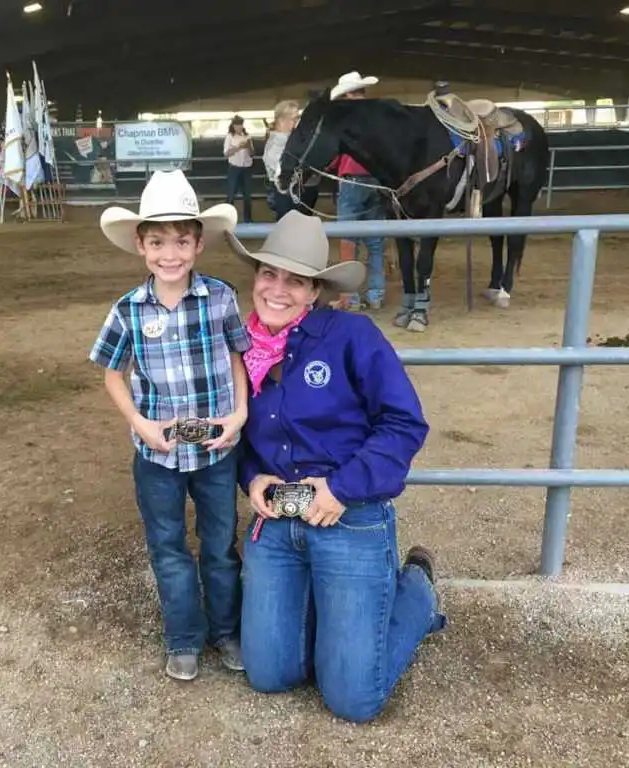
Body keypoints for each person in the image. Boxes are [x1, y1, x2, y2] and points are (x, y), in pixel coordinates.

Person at [224, 209, 445, 722]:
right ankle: (335, 623)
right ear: (255, 278)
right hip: (277, 519)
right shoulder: (239, 346)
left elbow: (404, 423)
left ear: (315, 291)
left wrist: (341, 488)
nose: (278, 290)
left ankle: (417, 588)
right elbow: (234, 431)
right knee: (269, 674)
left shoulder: (352, 336)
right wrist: (252, 476)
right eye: (268, 274)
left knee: (353, 699)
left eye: (295, 280)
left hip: (348, 514)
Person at [89, 169, 251, 682]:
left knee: (220, 544)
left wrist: (240, 413)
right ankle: (183, 637)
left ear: (198, 244)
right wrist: (139, 423)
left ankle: (226, 631)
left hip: (216, 451)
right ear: (141, 246)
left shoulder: (221, 298)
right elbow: (111, 372)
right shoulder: (128, 311)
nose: (170, 254)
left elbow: (238, 357)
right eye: (157, 242)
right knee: (168, 546)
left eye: (182, 241)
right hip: (157, 454)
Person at [327, 71, 387, 312]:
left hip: (351, 180)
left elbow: (334, 154)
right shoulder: (379, 117)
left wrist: (330, 166)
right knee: (375, 241)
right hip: (377, 181)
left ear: (349, 94)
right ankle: (376, 294)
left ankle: (349, 297)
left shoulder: (344, 120)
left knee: (348, 239)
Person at [263, 99, 320, 220]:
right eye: (294, 119)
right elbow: (282, 172)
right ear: (281, 120)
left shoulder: (295, 137)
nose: (296, 122)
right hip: (286, 192)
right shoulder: (275, 144)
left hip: (303, 189)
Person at [222, 114, 254, 223]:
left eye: (240, 125)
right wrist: (238, 148)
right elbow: (226, 153)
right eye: (237, 125)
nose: (239, 127)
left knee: (247, 195)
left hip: (247, 168)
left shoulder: (248, 136)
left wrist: (248, 146)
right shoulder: (229, 137)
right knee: (231, 194)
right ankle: (228, 219)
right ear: (233, 126)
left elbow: (252, 153)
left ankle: (248, 219)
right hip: (234, 168)